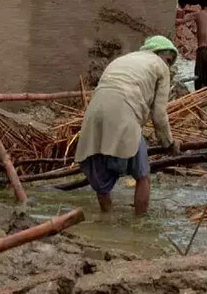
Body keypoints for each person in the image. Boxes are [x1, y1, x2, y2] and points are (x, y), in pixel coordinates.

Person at [74, 36, 180, 215]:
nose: (168, 65)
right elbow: (159, 115)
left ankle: (105, 218)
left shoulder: (123, 59)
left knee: (101, 180)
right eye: (169, 60)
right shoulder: (160, 66)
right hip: (125, 111)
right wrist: (168, 143)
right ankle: (139, 224)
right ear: (160, 55)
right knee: (143, 175)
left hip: (94, 112)